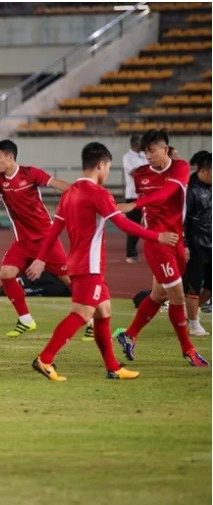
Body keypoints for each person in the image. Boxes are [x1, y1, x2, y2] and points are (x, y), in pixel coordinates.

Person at [27, 142, 179, 381]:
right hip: (90, 266)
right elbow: (123, 224)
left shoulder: (70, 193)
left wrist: (40, 259)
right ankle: (45, 359)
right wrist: (157, 236)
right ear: (101, 165)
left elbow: (54, 230)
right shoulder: (98, 193)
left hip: (77, 263)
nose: (107, 172)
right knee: (81, 313)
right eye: (107, 167)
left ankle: (113, 368)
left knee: (103, 311)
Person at [114, 129, 209, 367]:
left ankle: (129, 334)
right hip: (157, 242)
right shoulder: (140, 174)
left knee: (159, 294)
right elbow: (149, 206)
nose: (148, 155)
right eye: (145, 151)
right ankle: (188, 349)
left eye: (152, 150)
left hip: (176, 239)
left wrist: (135, 204)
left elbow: (167, 194)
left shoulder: (180, 167)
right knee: (177, 296)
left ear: (165, 149)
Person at [0, 139, 76, 338]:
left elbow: (55, 183)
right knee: (6, 273)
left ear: (10, 157)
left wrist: (78, 192)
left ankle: (92, 320)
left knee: (69, 280)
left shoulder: (30, 173)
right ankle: (26, 320)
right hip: (23, 242)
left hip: (46, 239)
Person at [183, 152, 211, 336]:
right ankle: (193, 323)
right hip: (196, 246)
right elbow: (182, 221)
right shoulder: (190, 191)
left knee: (210, 286)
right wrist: (185, 244)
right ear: (203, 171)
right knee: (193, 285)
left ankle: (193, 311)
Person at [122, 134, 147, 263]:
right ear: (136, 143)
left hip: (146, 196)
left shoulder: (143, 156)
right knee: (133, 226)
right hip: (133, 196)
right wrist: (146, 172)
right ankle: (130, 253)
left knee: (148, 224)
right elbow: (134, 173)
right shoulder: (127, 157)